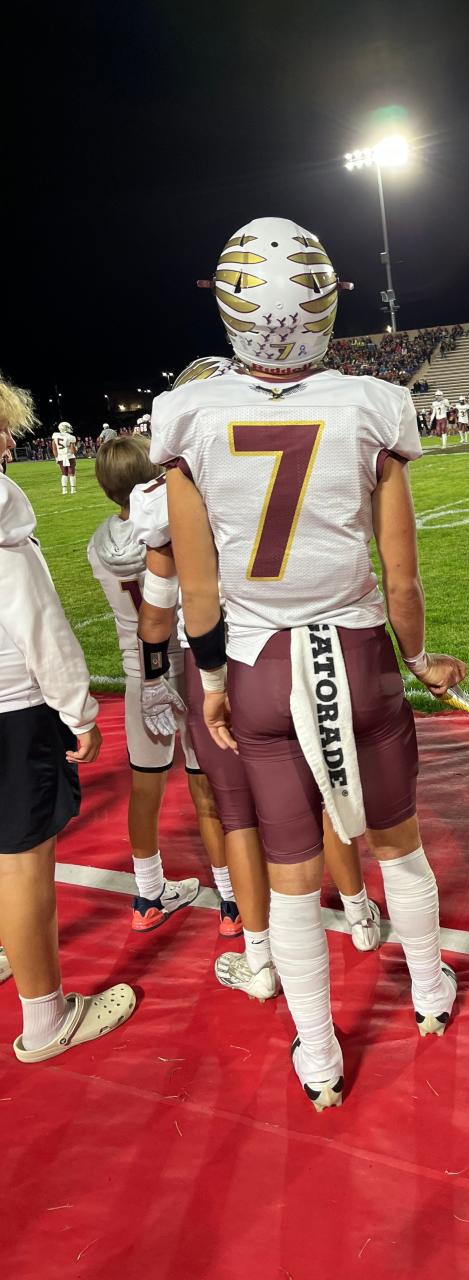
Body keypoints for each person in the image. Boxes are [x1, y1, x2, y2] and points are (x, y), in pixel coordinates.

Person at [152, 218, 465, 1111]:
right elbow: (401, 578)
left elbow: (198, 592)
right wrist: (419, 655)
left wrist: (210, 681)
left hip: (256, 661)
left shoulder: (191, 414)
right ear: (326, 303)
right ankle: (432, 995)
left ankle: (322, 1053)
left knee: (291, 873)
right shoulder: (370, 402)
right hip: (360, 653)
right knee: (397, 842)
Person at [129, 381, 384, 1003]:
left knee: (239, 815)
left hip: (217, 661)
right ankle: (358, 915)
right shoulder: (258, 452)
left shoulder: (165, 498)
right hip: (287, 648)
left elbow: (160, 612)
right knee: (325, 789)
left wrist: (156, 673)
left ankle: (262, 959)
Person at [0, 373, 135, 1060]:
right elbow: (42, 633)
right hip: (12, 708)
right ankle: (46, 1017)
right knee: (23, 863)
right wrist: (79, 712)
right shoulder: (6, 533)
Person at [88, 434, 231, 933]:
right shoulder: (172, 531)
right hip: (188, 667)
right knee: (205, 786)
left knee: (144, 789)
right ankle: (231, 903)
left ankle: (148, 894)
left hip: (138, 673)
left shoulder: (97, 545)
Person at [50, 421, 78, 494]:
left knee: (64, 473)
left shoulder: (55, 436)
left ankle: (64, 490)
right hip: (69, 456)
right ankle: (73, 490)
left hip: (60, 456)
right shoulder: (70, 437)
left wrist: (56, 457)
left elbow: (54, 448)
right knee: (71, 473)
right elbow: (72, 451)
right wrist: (75, 448)